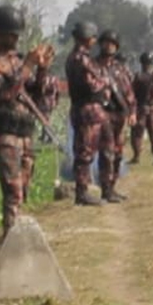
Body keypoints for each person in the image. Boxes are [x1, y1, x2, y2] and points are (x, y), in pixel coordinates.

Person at [0, 5, 52, 241]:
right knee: (13, 187)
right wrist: (28, 65)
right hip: (4, 131)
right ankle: (11, 238)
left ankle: (16, 229)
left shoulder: (18, 62)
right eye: (11, 34)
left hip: (24, 130)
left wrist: (41, 70)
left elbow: (36, 94)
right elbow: (5, 94)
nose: (15, 39)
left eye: (16, 34)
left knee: (25, 183)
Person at [65, 21, 107, 206]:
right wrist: (104, 82)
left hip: (84, 109)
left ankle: (83, 189)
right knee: (84, 152)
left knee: (85, 151)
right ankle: (81, 192)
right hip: (87, 109)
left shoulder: (75, 57)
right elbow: (91, 85)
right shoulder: (81, 59)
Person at [95, 30, 136, 203]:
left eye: (112, 43)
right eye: (106, 42)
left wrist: (132, 112)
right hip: (102, 114)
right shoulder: (93, 67)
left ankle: (112, 187)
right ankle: (105, 189)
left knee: (118, 153)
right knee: (107, 153)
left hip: (119, 115)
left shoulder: (120, 69)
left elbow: (129, 93)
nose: (109, 46)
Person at [130, 51, 153, 165]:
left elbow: (132, 92)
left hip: (141, 107)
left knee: (137, 133)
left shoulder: (138, 76)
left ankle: (137, 156)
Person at [29, 71, 62, 143]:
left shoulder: (48, 80)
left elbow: (44, 91)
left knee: (44, 119)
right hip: (47, 101)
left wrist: (56, 101)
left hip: (45, 102)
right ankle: (46, 136)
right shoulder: (52, 79)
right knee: (45, 119)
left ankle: (50, 136)